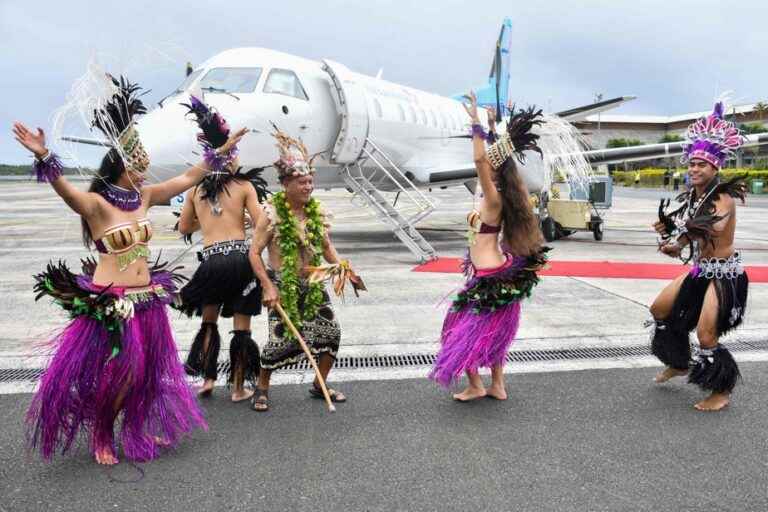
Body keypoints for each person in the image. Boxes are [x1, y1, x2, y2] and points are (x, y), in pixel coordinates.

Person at [14, 74, 246, 465]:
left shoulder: (146, 196)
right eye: (138, 166)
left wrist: (219, 150)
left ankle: (134, 427)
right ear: (120, 166)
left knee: (144, 376)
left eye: (145, 165)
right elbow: (66, 191)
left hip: (146, 300)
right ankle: (103, 432)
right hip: (111, 304)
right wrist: (42, 155)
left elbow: (189, 177)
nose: (145, 172)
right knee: (123, 372)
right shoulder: (96, 205)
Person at [428, 91, 548, 401]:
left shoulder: (493, 197)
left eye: (488, 168)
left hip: (487, 275)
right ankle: (497, 385)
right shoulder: (496, 196)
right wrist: (495, 128)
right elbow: (495, 157)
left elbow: (481, 158)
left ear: (493, 171)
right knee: (493, 332)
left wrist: (475, 125)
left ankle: (476, 385)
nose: (483, 170)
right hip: (494, 269)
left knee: (454, 330)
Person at [248, 127, 363, 412]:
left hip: (312, 280)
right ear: (286, 184)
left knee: (331, 333)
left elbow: (326, 248)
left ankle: (318, 384)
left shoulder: (317, 212)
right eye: (302, 183)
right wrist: (268, 285)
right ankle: (262, 388)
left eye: (310, 182)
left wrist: (345, 271)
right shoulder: (271, 213)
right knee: (279, 340)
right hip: (281, 283)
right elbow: (254, 253)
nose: (308, 187)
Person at [651, 102, 748, 411]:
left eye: (701, 165)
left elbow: (711, 226)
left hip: (724, 274)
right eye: (692, 163)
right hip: (701, 269)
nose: (694, 169)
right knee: (661, 311)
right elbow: (690, 229)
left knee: (707, 335)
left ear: (715, 168)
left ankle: (721, 391)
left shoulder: (722, 196)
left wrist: (680, 235)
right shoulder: (695, 194)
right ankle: (679, 362)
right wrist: (672, 239)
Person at [176, 96, 268, 402]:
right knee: (242, 325)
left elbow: (185, 228)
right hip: (240, 260)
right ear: (230, 156)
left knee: (208, 320)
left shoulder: (194, 190)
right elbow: (260, 222)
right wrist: (243, 219)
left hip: (212, 260)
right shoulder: (244, 186)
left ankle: (208, 380)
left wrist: (208, 219)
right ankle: (239, 388)